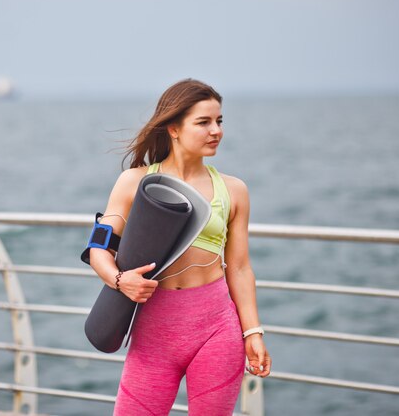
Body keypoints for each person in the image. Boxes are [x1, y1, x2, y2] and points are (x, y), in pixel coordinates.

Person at [89, 78, 271, 415]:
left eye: (219, 121)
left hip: (217, 327)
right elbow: (98, 247)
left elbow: (241, 268)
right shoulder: (136, 182)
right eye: (203, 122)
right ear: (173, 128)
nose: (215, 130)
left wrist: (253, 332)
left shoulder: (234, 191)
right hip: (155, 330)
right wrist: (118, 280)